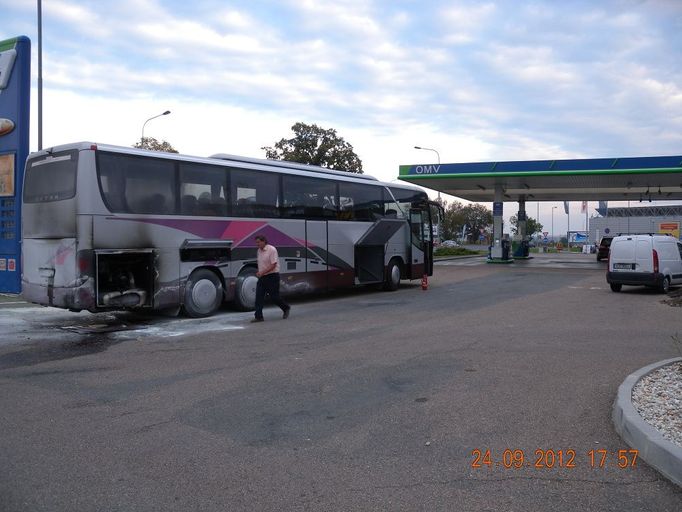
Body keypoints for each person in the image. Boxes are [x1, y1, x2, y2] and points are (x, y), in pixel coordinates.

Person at [251, 235, 291, 322]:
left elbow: (273, 265)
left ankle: (286, 308)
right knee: (259, 297)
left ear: (263, 241)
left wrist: (262, 272)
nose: (257, 244)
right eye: (256, 242)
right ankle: (259, 317)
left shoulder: (272, 250)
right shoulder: (259, 251)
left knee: (274, 297)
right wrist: (260, 272)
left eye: (258, 242)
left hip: (272, 276)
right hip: (262, 277)